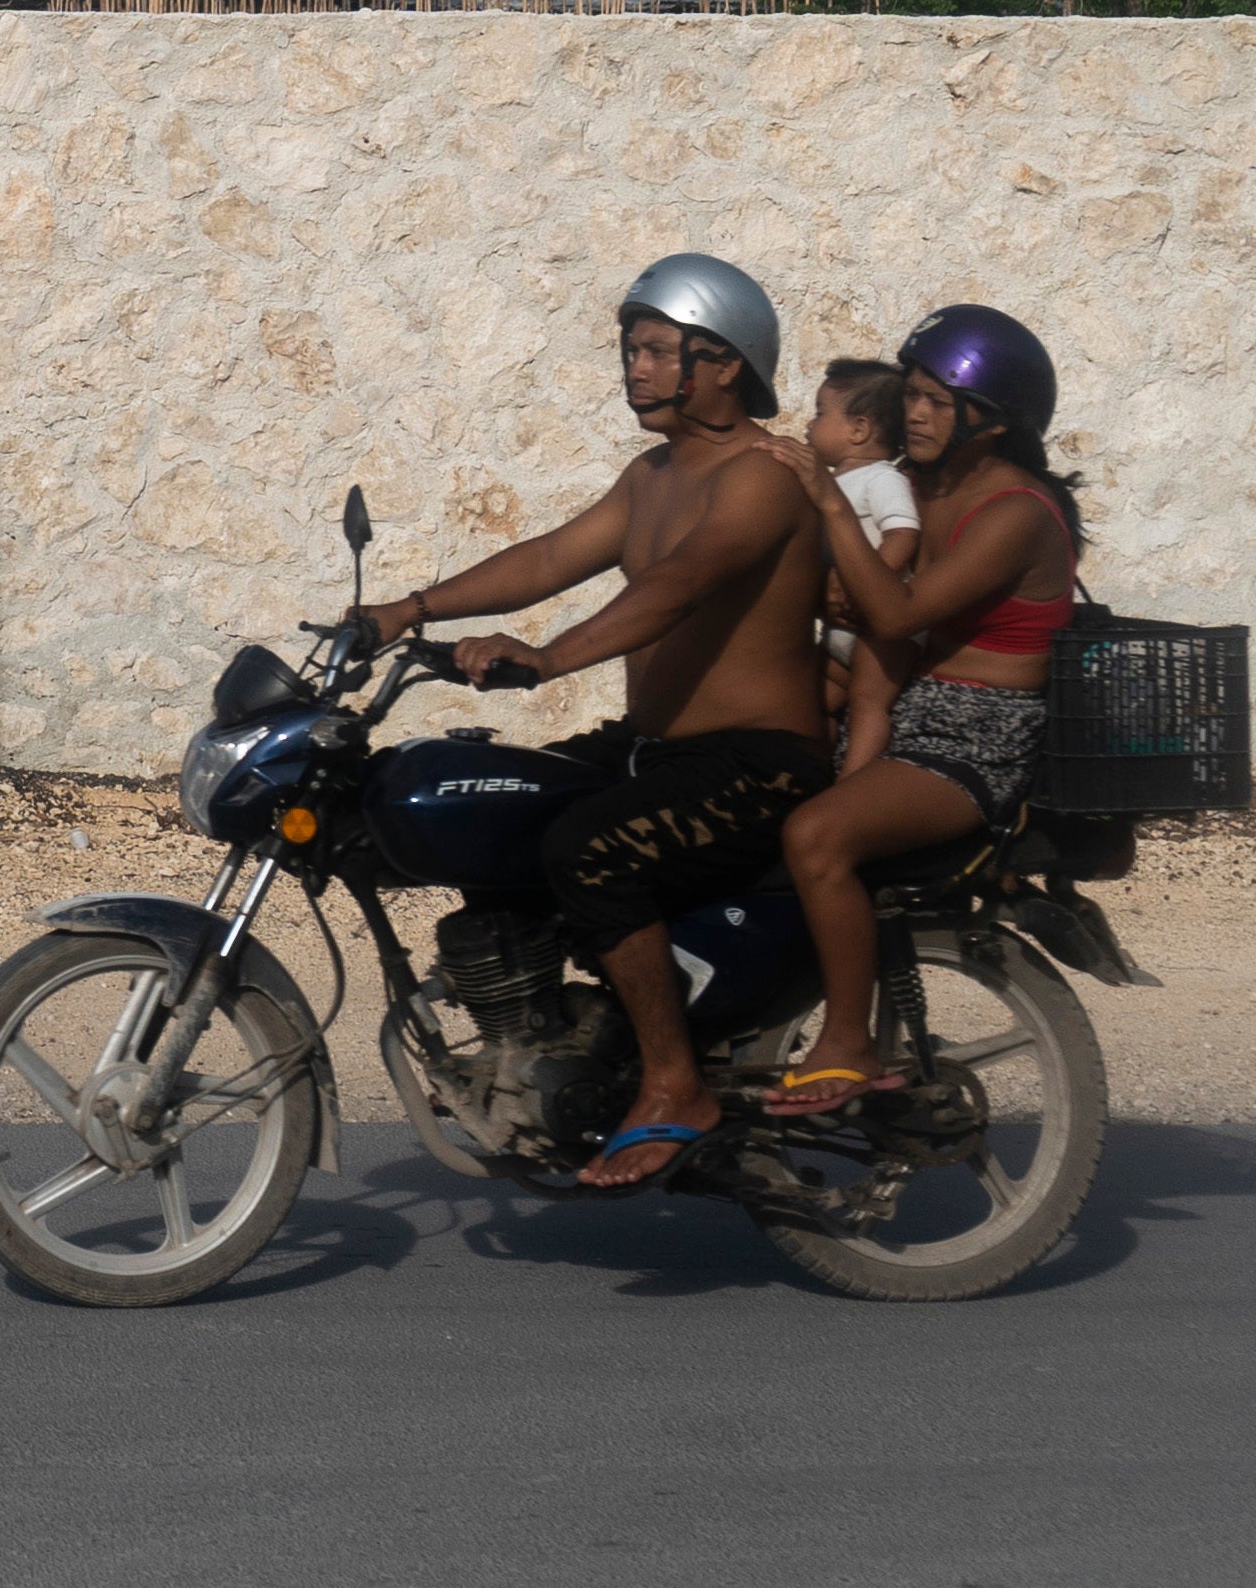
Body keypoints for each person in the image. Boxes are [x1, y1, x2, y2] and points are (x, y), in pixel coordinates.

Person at [355, 251, 831, 1188]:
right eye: (630, 350)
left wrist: (547, 658)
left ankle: (674, 1083)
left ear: (722, 363)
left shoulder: (762, 476)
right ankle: (566, 1034)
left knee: (586, 850)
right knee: (510, 809)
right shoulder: (650, 475)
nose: (635, 368)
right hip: (656, 748)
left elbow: (677, 584)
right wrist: (408, 609)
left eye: (656, 351)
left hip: (759, 760)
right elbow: (547, 559)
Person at [759, 304, 1085, 1122]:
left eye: (938, 401)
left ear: (992, 420)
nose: (914, 412)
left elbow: (895, 611)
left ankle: (847, 1041)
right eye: (911, 393)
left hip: (976, 732)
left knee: (816, 835)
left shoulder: (1014, 512)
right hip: (901, 697)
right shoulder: (918, 482)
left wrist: (832, 511)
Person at [799, 361, 926, 777]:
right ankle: (816, 775)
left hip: (881, 631)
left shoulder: (881, 479)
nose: (810, 424)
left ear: (859, 429)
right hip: (841, 630)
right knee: (815, 700)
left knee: (869, 703)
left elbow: (903, 534)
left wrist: (867, 587)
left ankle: (852, 785)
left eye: (820, 413)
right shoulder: (832, 483)